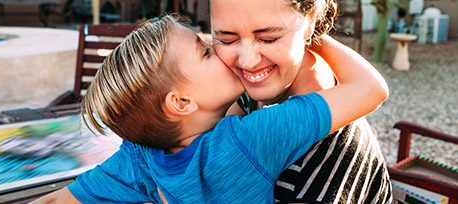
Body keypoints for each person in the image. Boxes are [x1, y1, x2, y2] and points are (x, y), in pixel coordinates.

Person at [31, 14, 388, 204]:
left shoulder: (139, 157)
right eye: (204, 51)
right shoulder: (254, 138)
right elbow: (371, 89)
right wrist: (305, 25)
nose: (219, 49)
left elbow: (56, 201)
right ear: (182, 102)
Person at [208, 0, 393, 203]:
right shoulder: (252, 96)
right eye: (227, 38)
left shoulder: (329, 148)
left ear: (310, 22)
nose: (247, 61)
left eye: (269, 37)